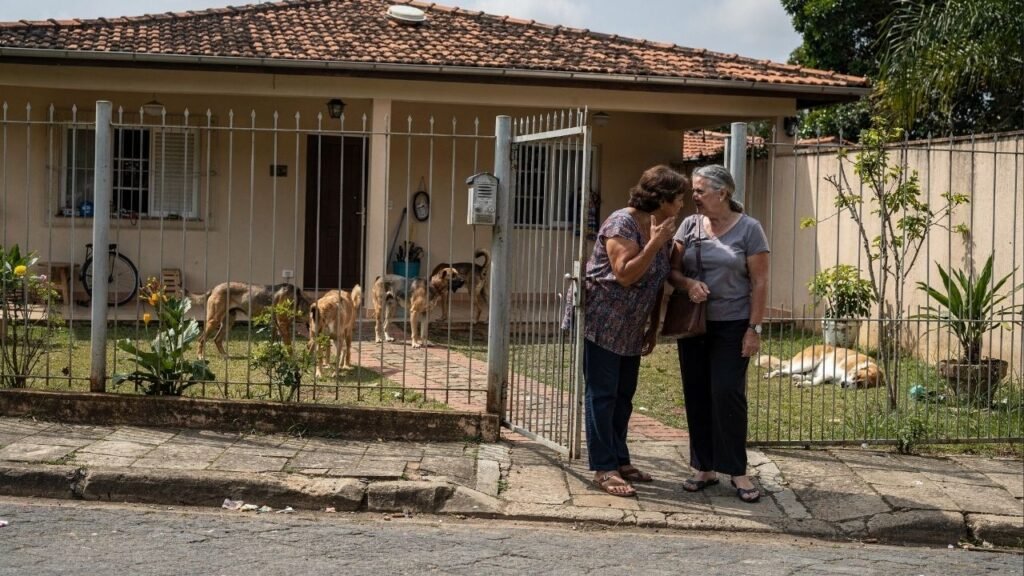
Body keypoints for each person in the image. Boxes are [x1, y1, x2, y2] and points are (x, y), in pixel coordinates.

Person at [581, 165, 689, 497]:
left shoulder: (656, 227)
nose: (683, 204)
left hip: (632, 326)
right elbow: (625, 274)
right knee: (603, 395)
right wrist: (656, 243)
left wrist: (653, 327)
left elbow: (657, 282)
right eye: (679, 198)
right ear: (663, 199)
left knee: (624, 396)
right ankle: (604, 467)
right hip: (603, 322)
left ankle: (620, 458)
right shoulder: (621, 223)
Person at [668, 164, 769, 503]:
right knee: (696, 392)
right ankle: (704, 467)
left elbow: (760, 282)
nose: (692, 196)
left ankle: (737, 471)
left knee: (727, 392)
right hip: (694, 323)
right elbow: (673, 271)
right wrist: (688, 284)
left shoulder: (750, 230)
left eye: (699, 191)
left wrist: (753, 329)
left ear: (722, 193)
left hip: (733, 324)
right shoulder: (690, 225)